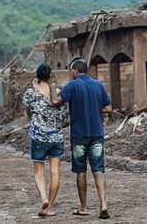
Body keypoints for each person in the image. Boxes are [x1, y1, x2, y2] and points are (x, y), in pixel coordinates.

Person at [50, 58, 112, 219]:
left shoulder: (72, 85)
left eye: (72, 71)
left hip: (79, 135)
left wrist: (52, 88)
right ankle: (103, 205)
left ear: (75, 71)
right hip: (97, 133)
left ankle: (84, 207)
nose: (72, 73)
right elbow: (108, 108)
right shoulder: (98, 84)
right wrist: (94, 109)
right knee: (98, 170)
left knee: (81, 171)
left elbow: (56, 101)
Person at [22, 63, 68, 217]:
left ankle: (43, 198)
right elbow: (64, 118)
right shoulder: (57, 93)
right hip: (56, 137)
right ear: (50, 76)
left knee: (39, 172)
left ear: (37, 75)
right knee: (55, 173)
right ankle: (50, 208)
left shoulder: (30, 93)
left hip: (38, 136)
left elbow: (28, 112)